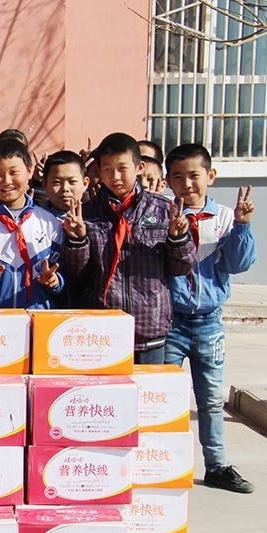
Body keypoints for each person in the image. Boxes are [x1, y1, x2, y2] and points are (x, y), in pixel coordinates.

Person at [164, 143, 257, 493]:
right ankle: (165, 463)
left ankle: (217, 465)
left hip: (209, 322)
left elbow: (238, 263)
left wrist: (243, 227)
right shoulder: (162, 214)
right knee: (165, 397)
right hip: (170, 322)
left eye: (194, 175)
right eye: (177, 177)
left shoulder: (226, 218)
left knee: (211, 400)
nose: (186, 184)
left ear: (210, 176)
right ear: (168, 181)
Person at [61, 132, 196, 363]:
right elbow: (78, 275)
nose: (115, 176)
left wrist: (178, 238)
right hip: (102, 329)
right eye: (107, 169)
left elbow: (182, 268)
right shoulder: (87, 213)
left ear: (139, 167)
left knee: (147, 386)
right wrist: (77, 241)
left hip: (148, 327)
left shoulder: (163, 210)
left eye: (122, 168)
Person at [0, 138, 64, 309]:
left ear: (29, 171)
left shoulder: (49, 222)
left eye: (14, 172)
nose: (7, 181)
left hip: (38, 319)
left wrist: (55, 281)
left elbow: (64, 273)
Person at [39, 150, 89, 219]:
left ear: (85, 183)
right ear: (45, 185)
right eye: (56, 182)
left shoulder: (96, 217)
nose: (65, 188)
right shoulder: (34, 218)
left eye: (72, 181)